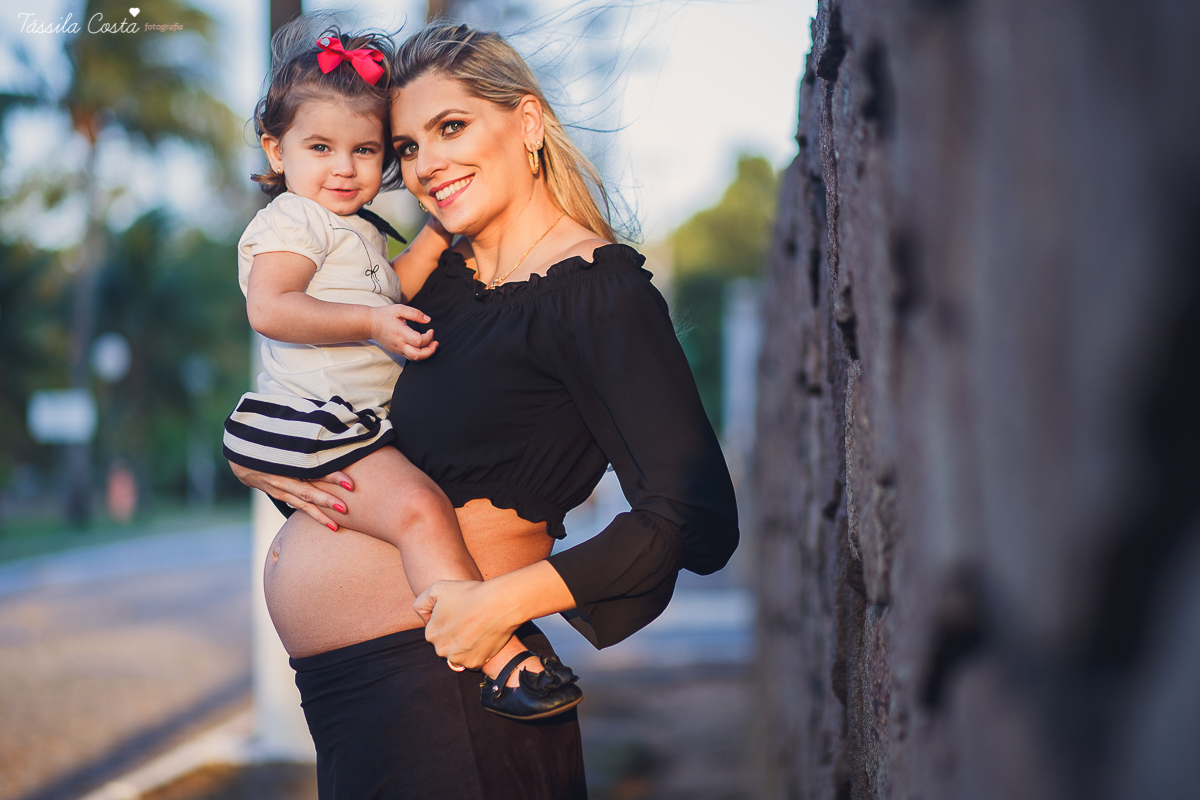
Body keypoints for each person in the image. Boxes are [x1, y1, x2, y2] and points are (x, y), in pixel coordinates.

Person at [231, 21, 739, 799]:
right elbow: (332, 387)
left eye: (451, 127)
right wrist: (256, 450)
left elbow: (692, 516)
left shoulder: (597, 293)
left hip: (454, 688)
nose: (426, 165)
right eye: (407, 146)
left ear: (527, 122)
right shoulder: (440, 280)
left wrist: (497, 605)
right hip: (351, 699)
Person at [223, 20, 582, 722]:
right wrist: (369, 322)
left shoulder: (356, 231)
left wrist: (443, 227)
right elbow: (271, 307)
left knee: (415, 508)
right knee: (419, 510)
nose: (344, 168)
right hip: (315, 420)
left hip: (345, 423)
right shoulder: (294, 220)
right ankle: (500, 658)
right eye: (320, 147)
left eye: (364, 150)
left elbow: (400, 281)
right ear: (275, 149)